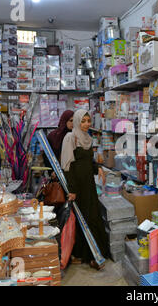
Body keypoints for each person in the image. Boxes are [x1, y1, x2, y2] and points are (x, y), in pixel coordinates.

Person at [60, 109, 109, 269]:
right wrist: (72, 190)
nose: (87, 124)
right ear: (77, 122)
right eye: (83, 121)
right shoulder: (70, 138)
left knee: (92, 217)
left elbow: (89, 160)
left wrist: (98, 169)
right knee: (82, 220)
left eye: (88, 121)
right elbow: (68, 166)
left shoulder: (88, 138)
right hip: (77, 187)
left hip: (89, 185)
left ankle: (95, 253)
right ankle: (86, 255)